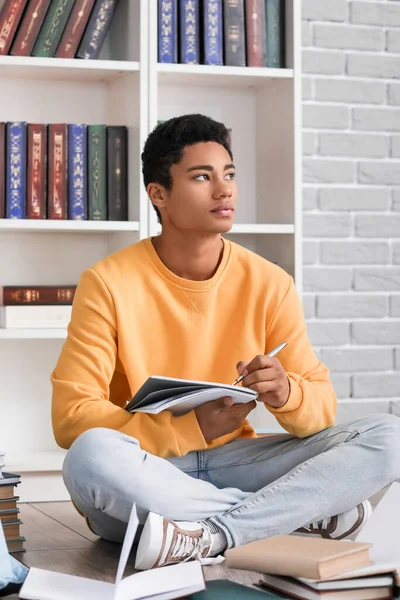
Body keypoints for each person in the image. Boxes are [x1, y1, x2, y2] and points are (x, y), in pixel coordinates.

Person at [51, 114, 400, 571]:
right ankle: (288, 519)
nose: (225, 190)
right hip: (150, 471)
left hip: (238, 462)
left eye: (229, 174)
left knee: (389, 436)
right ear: (159, 194)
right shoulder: (108, 282)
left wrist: (286, 390)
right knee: (89, 457)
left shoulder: (270, 283)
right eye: (202, 177)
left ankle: (213, 535)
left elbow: (322, 411)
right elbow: (71, 418)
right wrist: (189, 429)